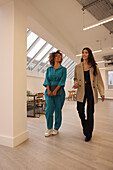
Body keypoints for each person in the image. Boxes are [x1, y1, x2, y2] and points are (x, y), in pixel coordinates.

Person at [73, 47, 105, 142]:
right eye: (83, 52)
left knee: (90, 112)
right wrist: (75, 83)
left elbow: (99, 80)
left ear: (89, 54)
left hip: (91, 90)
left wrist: (102, 93)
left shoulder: (94, 66)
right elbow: (75, 78)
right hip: (81, 90)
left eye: (86, 52)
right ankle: (85, 125)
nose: (84, 54)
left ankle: (89, 133)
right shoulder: (77, 67)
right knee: (80, 109)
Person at [43, 50, 67, 137]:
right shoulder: (49, 69)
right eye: (56, 56)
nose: (58, 57)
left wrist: (56, 90)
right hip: (49, 92)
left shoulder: (63, 69)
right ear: (53, 57)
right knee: (48, 110)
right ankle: (49, 128)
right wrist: (49, 90)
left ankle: (56, 128)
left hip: (59, 92)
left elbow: (62, 81)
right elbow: (47, 80)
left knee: (58, 110)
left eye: (60, 56)